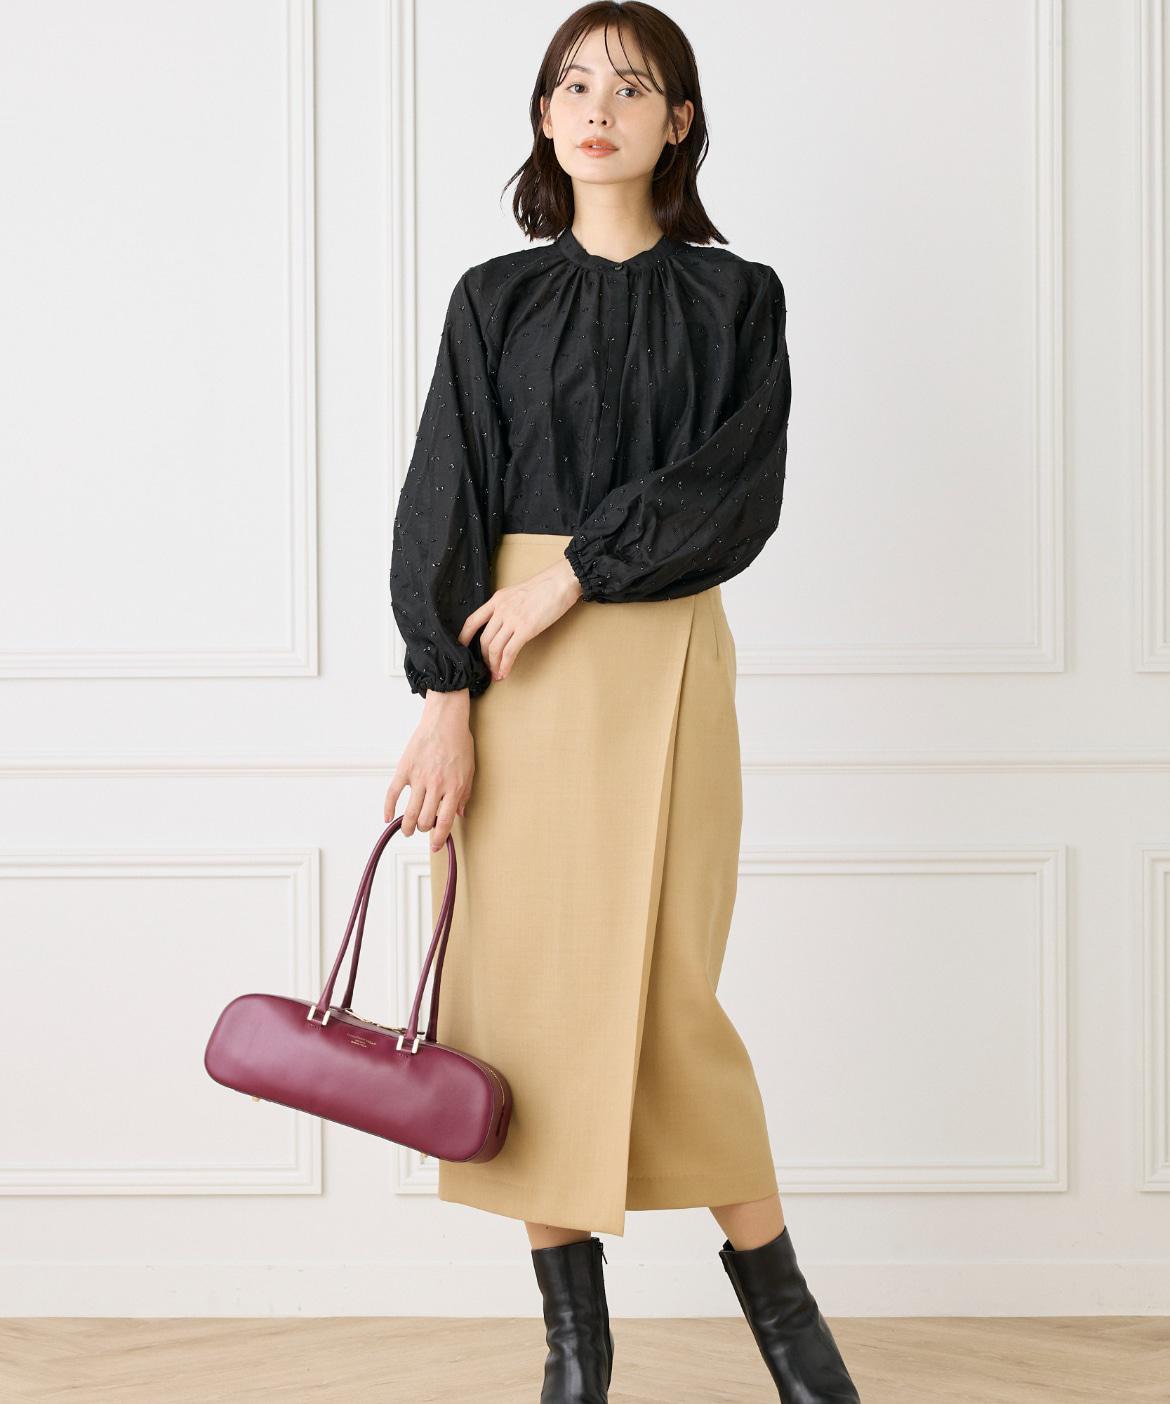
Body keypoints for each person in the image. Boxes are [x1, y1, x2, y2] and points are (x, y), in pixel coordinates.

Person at [387, 4, 860, 1400]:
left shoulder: (737, 298)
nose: (597, 109)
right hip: (506, 677)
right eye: (572, 84)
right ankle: (575, 1352)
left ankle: (792, 1332)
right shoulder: (493, 298)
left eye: (632, 86)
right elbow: (444, 498)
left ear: (678, 120)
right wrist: (443, 699)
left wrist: (574, 577)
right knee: (526, 999)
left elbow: (736, 490)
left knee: (667, 995)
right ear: (544, 116)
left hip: (659, 655)